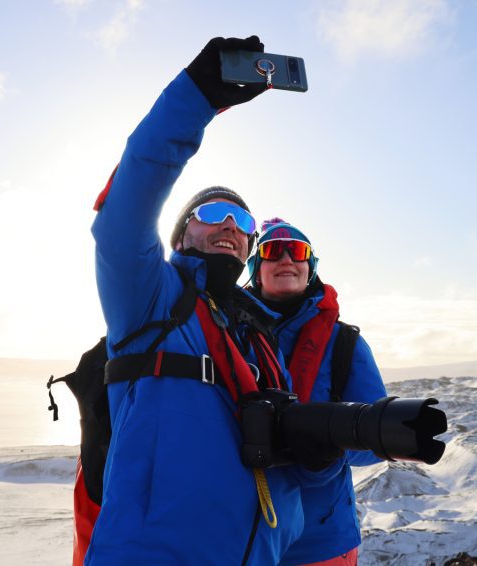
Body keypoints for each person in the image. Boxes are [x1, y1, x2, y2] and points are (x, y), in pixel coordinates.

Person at [86, 36, 326, 564]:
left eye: (240, 221)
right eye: (210, 215)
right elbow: (125, 209)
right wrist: (195, 98)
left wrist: (319, 451)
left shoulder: (256, 331)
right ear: (178, 236)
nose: (227, 227)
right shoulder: (149, 297)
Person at [246, 219, 389, 566]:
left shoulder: (344, 344)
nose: (285, 259)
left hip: (319, 541)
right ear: (255, 269)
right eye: (271, 251)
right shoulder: (227, 336)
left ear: (310, 268)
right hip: (241, 536)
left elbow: (380, 438)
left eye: (297, 251)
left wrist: (330, 443)